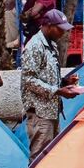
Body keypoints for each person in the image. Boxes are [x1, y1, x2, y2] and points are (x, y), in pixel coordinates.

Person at [21, 9, 80, 160]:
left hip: (52, 111)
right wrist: (58, 91)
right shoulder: (34, 46)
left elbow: (46, 76)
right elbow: (29, 80)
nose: (63, 32)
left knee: (50, 158)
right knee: (38, 159)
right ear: (48, 25)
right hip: (40, 113)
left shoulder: (52, 45)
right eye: (60, 28)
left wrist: (65, 82)